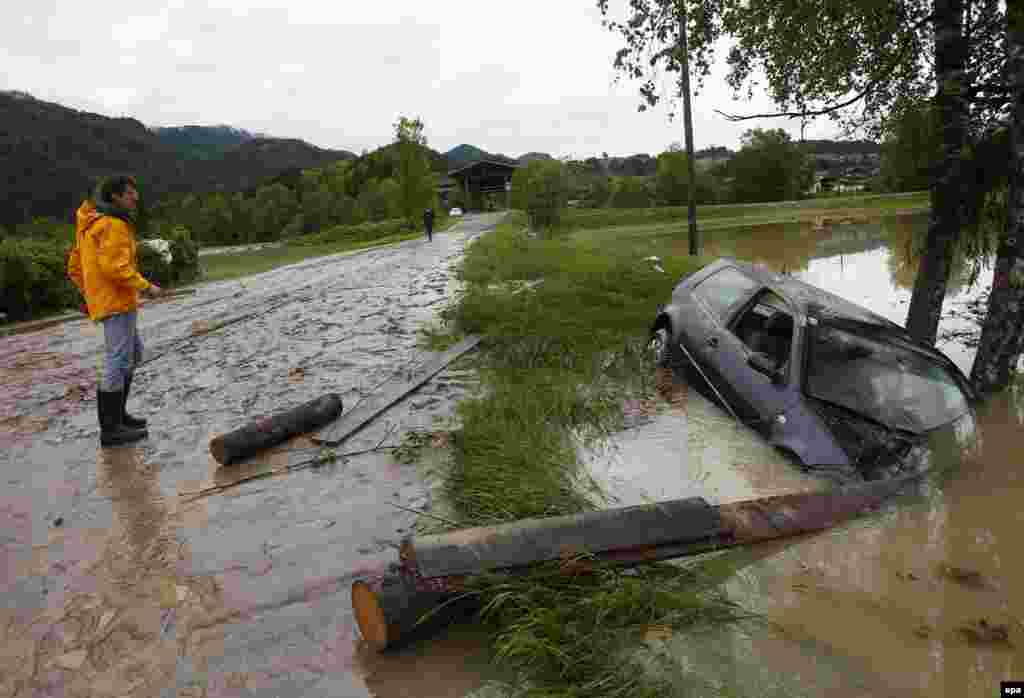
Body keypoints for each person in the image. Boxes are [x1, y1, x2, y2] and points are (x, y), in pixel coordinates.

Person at [67, 175, 165, 446]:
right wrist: (147, 287)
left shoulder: (92, 223)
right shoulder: (112, 225)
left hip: (110, 300)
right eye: (130, 193)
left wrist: (89, 295)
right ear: (115, 197)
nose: (136, 197)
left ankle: (119, 417)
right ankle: (111, 429)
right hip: (116, 302)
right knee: (118, 360)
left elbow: (74, 266)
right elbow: (115, 267)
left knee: (131, 355)